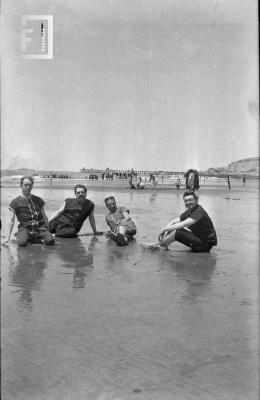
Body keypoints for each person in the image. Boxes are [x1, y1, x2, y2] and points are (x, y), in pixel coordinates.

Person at [142, 191, 217, 252]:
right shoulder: (190, 210)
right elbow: (174, 222)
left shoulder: (199, 211)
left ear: (196, 200)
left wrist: (164, 229)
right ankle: (162, 244)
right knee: (174, 228)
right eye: (186, 201)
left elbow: (181, 225)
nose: (188, 202)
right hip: (199, 239)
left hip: (205, 245)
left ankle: (160, 245)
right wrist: (165, 230)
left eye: (191, 200)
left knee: (177, 231)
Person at [4, 176, 55, 247]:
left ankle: (34, 238)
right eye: (25, 185)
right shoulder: (15, 202)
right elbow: (11, 220)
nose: (28, 187)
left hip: (40, 228)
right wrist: (8, 238)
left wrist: (48, 230)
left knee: (51, 241)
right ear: (21, 186)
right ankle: (21, 235)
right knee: (22, 243)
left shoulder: (38, 200)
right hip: (25, 228)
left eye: (30, 185)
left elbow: (44, 216)